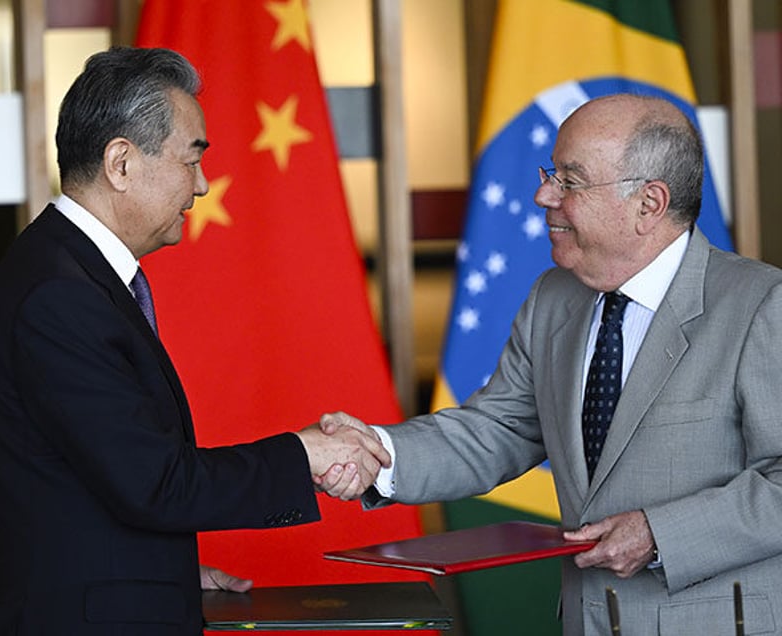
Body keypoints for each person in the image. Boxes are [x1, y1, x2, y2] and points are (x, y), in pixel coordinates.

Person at [319, 93, 782, 634]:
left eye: (571, 180)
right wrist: (379, 453)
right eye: (550, 173)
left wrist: (660, 534)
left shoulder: (761, 305)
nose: (543, 195)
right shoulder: (553, 297)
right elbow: (499, 428)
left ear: (649, 203)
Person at [0, 47, 387, 636]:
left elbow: (86, 481)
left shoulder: (70, 272)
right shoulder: (59, 296)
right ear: (121, 163)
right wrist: (305, 453)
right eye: (191, 160)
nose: (205, 183)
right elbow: (155, 482)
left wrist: (161, 571)